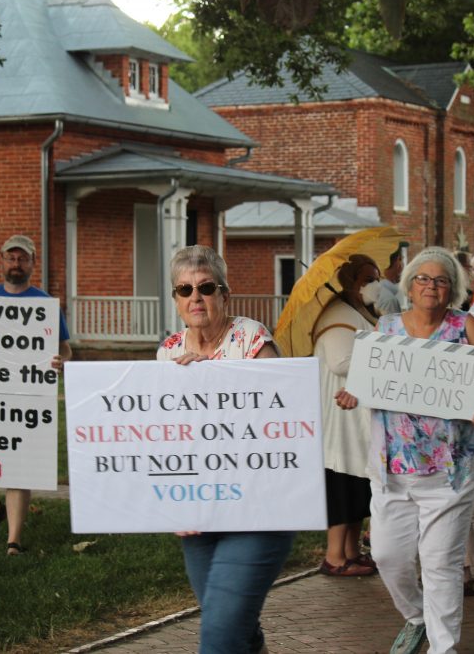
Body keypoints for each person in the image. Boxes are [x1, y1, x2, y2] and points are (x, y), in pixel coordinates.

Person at [336, 247, 474, 654]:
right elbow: (369, 380)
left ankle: (443, 647)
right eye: (424, 279)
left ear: (453, 290)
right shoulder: (387, 328)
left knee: (440, 564)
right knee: (389, 557)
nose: (432, 286)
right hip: (393, 469)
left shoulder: (467, 327)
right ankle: (417, 618)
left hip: (451, 471)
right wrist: (353, 394)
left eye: (442, 280)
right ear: (410, 285)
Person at [157, 244, 293, 654]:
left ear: (224, 293)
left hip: (257, 509)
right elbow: (159, 435)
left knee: (218, 634)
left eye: (205, 287)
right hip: (198, 512)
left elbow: (281, 418)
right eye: (184, 289)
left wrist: (211, 382)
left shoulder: (251, 338)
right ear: (176, 299)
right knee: (233, 623)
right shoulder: (167, 353)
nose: (195, 298)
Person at [0, 234, 72, 556]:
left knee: (18, 466)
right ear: (0, 260)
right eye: (11, 258)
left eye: (23, 259)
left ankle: (13, 540)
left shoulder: (44, 304)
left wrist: (61, 362)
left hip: (26, 397)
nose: (16, 264)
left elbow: (65, 349)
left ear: (32, 263)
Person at [313, 254, 380, 576]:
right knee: (342, 482)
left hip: (358, 415)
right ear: (350, 282)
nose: (373, 285)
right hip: (339, 417)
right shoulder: (338, 315)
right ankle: (335, 556)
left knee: (358, 484)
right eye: (367, 279)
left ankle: (353, 550)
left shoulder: (359, 312)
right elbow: (341, 362)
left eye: (375, 278)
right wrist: (382, 363)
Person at [377, 246, 408, 316]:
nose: (402, 265)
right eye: (401, 259)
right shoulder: (389, 300)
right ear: (397, 263)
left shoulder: (376, 291)